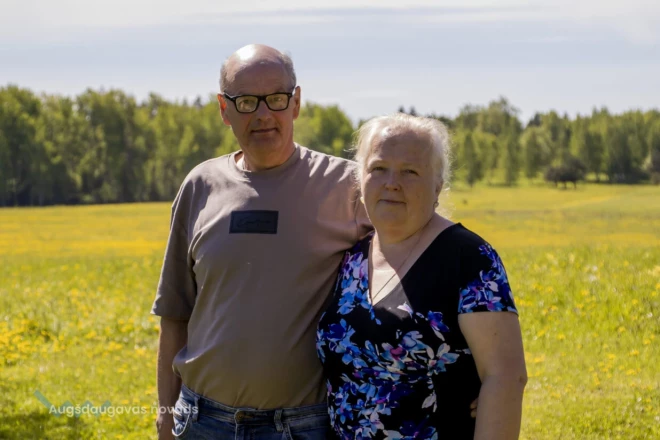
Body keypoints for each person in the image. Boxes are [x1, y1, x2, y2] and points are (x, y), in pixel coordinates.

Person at [151, 44, 371, 439]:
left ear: (296, 102)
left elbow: (417, 266)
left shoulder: (349, 188)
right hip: (200, 421)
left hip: (303, 426)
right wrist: (166, 415)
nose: (263, 114)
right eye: (247, 101)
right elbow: (175, 312)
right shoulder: (200, 185)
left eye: (276, 99)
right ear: (224, 108)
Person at [316, 113, 527, 440]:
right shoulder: (351, 258)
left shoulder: (469, 260)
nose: (392, 183)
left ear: (437, 186)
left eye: (410, 172)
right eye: (379, 168)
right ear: (360, 179)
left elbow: (505, 377)